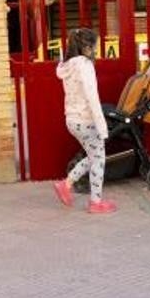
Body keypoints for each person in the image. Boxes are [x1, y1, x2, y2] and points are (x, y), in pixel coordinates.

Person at [52, 28, 115, 214]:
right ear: (87, 46)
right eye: (94, 45)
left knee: (93, 156)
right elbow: (91, 96)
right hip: (86, 119)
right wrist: (102, 126)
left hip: (72, 119)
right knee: (99, 159)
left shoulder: (68, 65)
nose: (96, 48)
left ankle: (66, 184)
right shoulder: (85, 65)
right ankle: (95, 202)